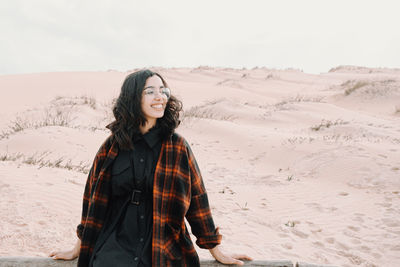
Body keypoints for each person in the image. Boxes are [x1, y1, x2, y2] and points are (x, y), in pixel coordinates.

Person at [49, 69, 252, 267]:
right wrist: (78, 247)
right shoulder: (112, 147)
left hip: (164, 250)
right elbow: (92, 201)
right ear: (133, 98)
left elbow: (198, 200)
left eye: (163, 90)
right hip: (115, 250)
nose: (160, 97)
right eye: (150, 91)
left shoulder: (177, 147)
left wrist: (215, 249)